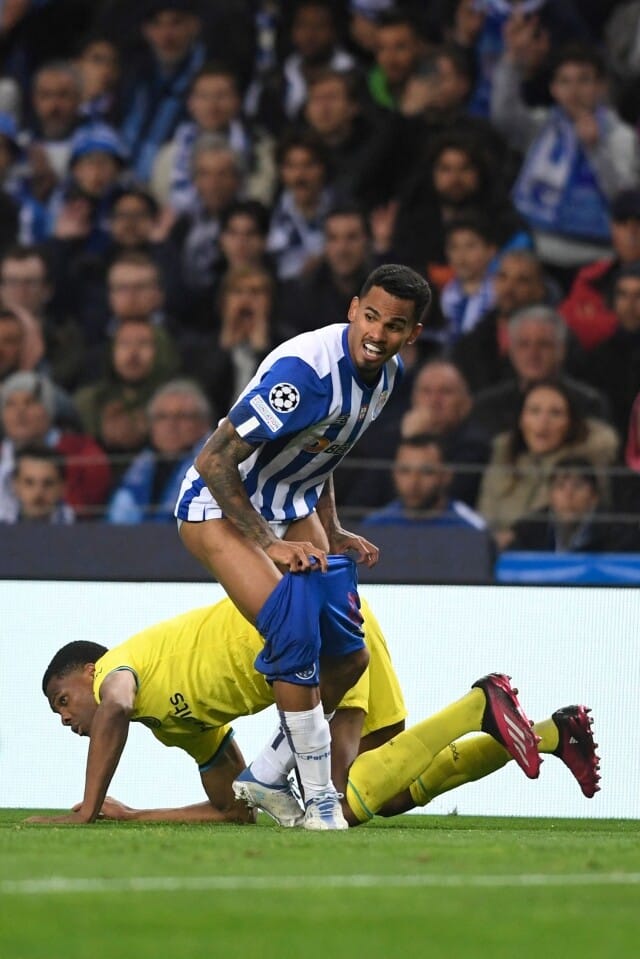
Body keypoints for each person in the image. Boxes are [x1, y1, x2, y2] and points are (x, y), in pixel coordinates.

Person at [174, 263, 431, 829]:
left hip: (291, 506)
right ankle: (318, 802)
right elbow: (212, 460)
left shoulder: (387, 377)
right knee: (295, 634)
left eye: (394, 326)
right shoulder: (304, 374)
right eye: (370, 316)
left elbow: (324, 452)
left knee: (349, 656)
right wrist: (269, 544)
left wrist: (332, 529)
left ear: (411, 334)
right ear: (352, 307)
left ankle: (264, 774)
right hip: (218, 506)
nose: (377, 333)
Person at [29, 587, 600, 826]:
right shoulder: (173, 724)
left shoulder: (117, 671)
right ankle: (552, 732)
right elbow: (235, 809)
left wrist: (87, 808)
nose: (65, 717)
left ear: (87, 672)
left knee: (343, 806)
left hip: (315, 636)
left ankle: (480, 704)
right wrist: (132, 817)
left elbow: (115, 708)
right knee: (392, 791)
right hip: (321, 646)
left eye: (63, 701)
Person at [476, 379, 619, 548]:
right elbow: (484, 517)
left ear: (570, 422)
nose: (543, 423)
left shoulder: (585, 463)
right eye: (534, 411)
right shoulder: (502, 456)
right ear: (521, 419)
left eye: (555, 413)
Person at [471, 305, 611, 439]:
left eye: (544, 344)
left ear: (561, 350)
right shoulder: (486, 407)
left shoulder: (589, 404)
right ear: (511, 351)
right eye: (524, 344)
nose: (533, 354)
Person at [0, 370, 111, 520]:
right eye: (10, 404)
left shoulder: (82, 451)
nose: (20, 412)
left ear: (48, 409)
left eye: (30, 402)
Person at [106, 379, 212, 525]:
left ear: (203, 424)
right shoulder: (136, 464)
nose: (171, 425)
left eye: (182, 417)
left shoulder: (214, 465)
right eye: (162, 417)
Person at [508, 455, 640, 553]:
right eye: (560, 487)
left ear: (594, 496)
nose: (568, 495)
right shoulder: (529, 529)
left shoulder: (618, 534)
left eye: (578, 486)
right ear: (550, 496)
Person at [362, 434, 487, 531]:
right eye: (405, 471)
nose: (414, 482)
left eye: (427, 472)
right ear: (394, 474)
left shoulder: (471, 529)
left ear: (446, 476)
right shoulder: (375, 527)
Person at [0, 444, 75, 524]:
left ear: (63, 488)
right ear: (15, 485)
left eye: (48, 483)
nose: (38, 492)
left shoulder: (79, 529)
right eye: (29, 483)